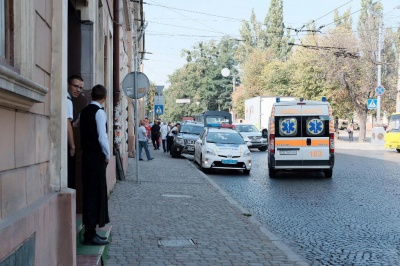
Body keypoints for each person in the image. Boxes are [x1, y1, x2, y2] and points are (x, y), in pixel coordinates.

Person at [80, 84, 110, 245]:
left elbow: (77, 124)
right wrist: (107, 155)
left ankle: (90, 231)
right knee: (95, 195)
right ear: (104, 98)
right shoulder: (99, 112)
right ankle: (90, 235)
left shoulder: (84, 111)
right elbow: (102, 137)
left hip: (86, 157)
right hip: (96, 158)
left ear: (92, 96)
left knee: (89, 194)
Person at [67, 75, 83, 189]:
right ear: (68, 85)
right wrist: (72, 146)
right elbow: (66, 122)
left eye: (80, 88)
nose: (78, 90)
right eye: (75, 86)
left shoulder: (68, 98)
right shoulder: (67, 99)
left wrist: (75, 124)